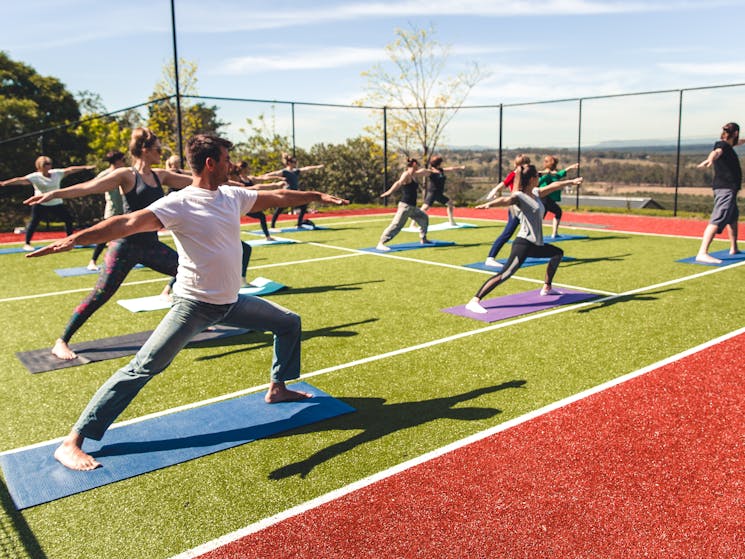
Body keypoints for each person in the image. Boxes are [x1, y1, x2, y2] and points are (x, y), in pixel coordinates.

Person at [27, 133, 349, 471]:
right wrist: (74, 240)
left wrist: (314, 195)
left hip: (230, 303)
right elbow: (126, 222)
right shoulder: (179, 203)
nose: (231, 166)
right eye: (226, 160)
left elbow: (277, 196)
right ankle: (72, 441)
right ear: (211, 163)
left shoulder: (232, 196)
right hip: (193, 306)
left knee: (288, 321)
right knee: (142, 367)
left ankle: (278, 388)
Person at [24, 127, 194, 360]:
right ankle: (61, 340)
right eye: (157, 149)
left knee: (188, 272)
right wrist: (55, 194)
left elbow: (198, 181)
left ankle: (195, 321)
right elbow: (89, 187)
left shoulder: (160, 176)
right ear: (144, 150)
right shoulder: (126, 175)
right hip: (125, 247)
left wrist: (242, 185)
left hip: (150, 246)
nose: (160, 153)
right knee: (100, 295)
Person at [465, 164, 583, 314]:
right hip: (524, 244)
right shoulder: (519, 196)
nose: (539, 179)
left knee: (557, 253)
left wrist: (571, 182)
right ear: (533, 179)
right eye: (537, 177)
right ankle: (474, 300)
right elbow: (505, 200)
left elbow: (554, 185)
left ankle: (547, 288)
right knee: (505, 274)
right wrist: (490, 204)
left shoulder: (536, 192)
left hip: (536, 244)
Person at [0, 157, 94, 250]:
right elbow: (19, 180)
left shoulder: (57, 173)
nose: (48, 166)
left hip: (56, 202)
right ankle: (27, 243)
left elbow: (70, 170)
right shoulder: (35, 177)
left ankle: (69, 240)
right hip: (40, 203)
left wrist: (85, 167)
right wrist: (4, 183)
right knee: (34, 223)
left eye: (49, 164)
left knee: (68, 219)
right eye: (45, 164)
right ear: (40, 166)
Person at [695, 122, 743, 263]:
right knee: (718, 218)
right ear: (735, 133)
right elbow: (716, 152)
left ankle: (734, 248)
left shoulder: (728, 145)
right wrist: (710, 160)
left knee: (732, 217)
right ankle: (702, 252)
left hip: (730, 189)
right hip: (725, 189)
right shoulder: (722, 145)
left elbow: (738, 142)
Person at [482, 154, 531, 268]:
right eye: (526, 163)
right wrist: (494, 191)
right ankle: (490, 257)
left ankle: (528, 251)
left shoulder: (526, 175)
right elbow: (503, 183)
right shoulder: (514, 174)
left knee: (530, 230)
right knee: (508, 232)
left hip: (524, 205)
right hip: (516, 207)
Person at [376, 158, 434, 251]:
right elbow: (398, 183)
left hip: (413, 207)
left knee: (424, 218)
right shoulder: (406, 174)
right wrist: (389, 192)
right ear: (414, 164)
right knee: (396, 225)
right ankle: (381, 243)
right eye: (417, 164)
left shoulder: (414, 174)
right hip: (405, 206)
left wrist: (433, 171)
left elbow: (423, 172)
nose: (418, 166)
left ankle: (423, 239)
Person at [87, 150, 127, 271]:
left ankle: (123, 259)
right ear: (117, 161)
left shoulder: (124, 173)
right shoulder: (106, 174)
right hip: (112, 211)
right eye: (123, 160)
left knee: (130, 236)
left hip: (125, 210)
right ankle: (92, 261)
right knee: (104, 237)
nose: (125, 162)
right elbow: (91, 185)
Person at [264, 153, 324, 230]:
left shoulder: (296, 171)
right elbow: (273, 174)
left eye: (296, 162)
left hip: (295, 195)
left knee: (303, 206)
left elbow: (306, 169)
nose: (295, 164)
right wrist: (263, 177)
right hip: (287, 194)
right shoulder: (284, 172)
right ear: (289, 163)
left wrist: (317, 167)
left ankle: (299, 224)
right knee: (280, 209)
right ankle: (272, 226)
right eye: (294, 162)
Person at [231, 160, 286, 241]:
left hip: (250, 205)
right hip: (242, 205)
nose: (248, 169)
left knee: (262, 216)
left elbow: (263, 178)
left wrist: (278, 178)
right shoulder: (237, 180)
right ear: (243, 169)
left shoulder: (250, 179)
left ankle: (268, 237)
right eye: (247, 168)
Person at [539, 155, 579, 239]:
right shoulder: (546, 174)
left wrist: (570, 167)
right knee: (539, 217)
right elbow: (538, 182)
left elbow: (560, 174)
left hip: (550, 200)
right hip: (545, 198)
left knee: (558, 212)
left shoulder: (554, 174)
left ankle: (554, 233)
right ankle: (534, 235)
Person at [420, 155, 466, 226]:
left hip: (439, 194)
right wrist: (414, 172)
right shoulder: (431, 171)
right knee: (424, 208)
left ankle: (451, 222)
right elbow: (423, 171)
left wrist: (460, 167)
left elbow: (451, 169)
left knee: (450, 204)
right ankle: (412, 224)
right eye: (440, 162)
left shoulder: (440, 170)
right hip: (432, 193)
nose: (441, 164)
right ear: (438, 163)